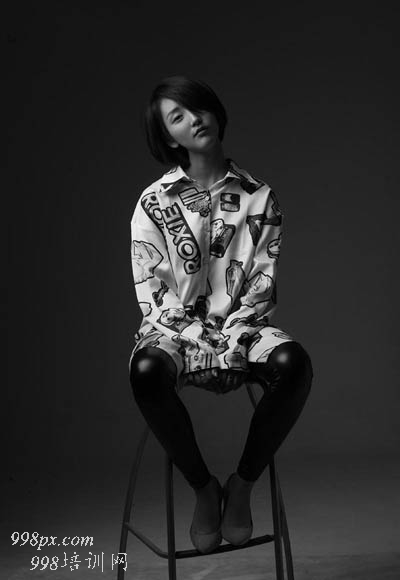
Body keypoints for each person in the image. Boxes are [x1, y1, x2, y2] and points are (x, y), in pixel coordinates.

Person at [129, 75, 313, 554]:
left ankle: (244, 485)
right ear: (170, 137)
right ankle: (203, 489)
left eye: (199, 108)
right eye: (179, 117)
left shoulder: (260, 196)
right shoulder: (153, 202)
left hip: (243, 329)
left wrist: (229, 344)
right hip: (174, 333)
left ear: (214, 112)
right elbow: (155, 295)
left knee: (294, 364)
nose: (195, 119)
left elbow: (261, 286)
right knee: (146, 371)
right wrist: (202, 344)